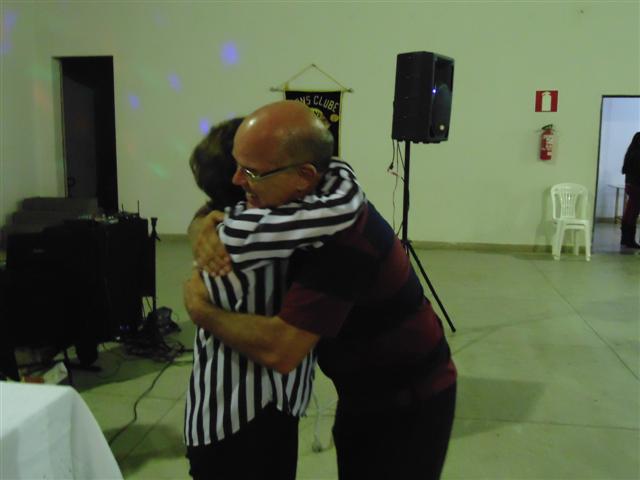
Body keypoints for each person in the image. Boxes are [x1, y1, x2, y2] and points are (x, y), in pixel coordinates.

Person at [185, 100, 457, 480]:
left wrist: (202, 311)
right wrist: (201, 226)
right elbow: (220, 207)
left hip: (408, 402)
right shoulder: (314, 202)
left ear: (303, 175)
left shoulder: (341, 244)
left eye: (251, 171)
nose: (237, 180)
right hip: (360, 394)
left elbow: (281, 350)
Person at [185, 116, 365, 480]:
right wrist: (199, 307)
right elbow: (346, 202)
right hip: (240, 418)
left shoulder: (229, 224)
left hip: (249, 411)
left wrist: (198, 224)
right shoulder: (253, 232)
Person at [621, 132, 640, 248]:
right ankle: (630, 240)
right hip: (637, 187)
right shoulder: (638, 154)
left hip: (630, 185)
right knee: (633, 213)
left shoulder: (630, 152)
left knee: (629, 212)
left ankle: (625, 239)